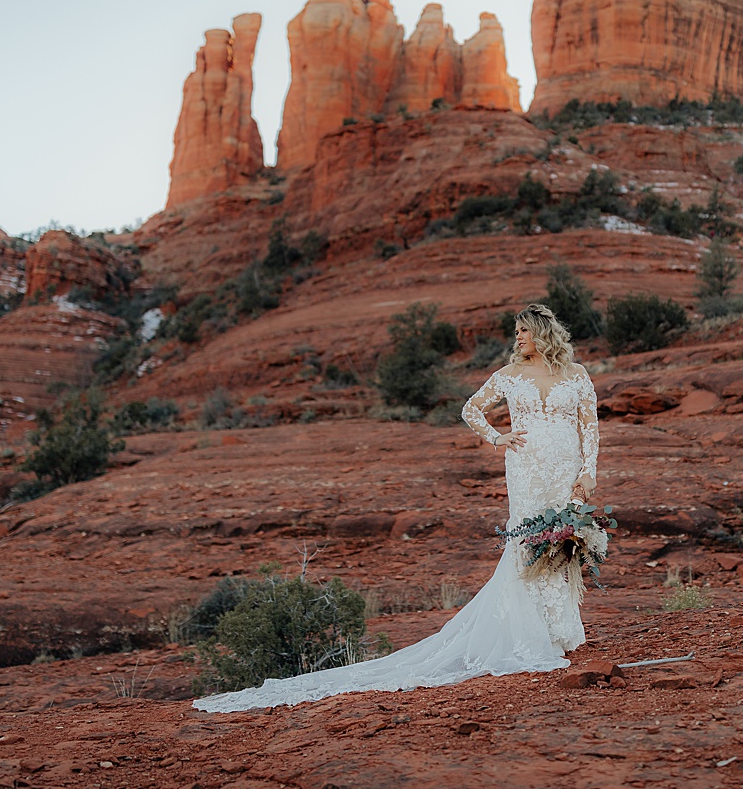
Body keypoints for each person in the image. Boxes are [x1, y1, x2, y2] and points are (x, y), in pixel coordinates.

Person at [193, 304, 602, 712]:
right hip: (527, 469)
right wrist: (499, 439)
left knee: (563, 541)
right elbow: (470, 409)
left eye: (523, 332)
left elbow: (590, 427)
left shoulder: (577, 375)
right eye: (516, 333)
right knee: (528, 541)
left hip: (565, 469)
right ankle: (527, 637)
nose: (517, 339)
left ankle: (556, 631)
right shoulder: (509, 376)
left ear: (542, 333)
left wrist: (589, 474)